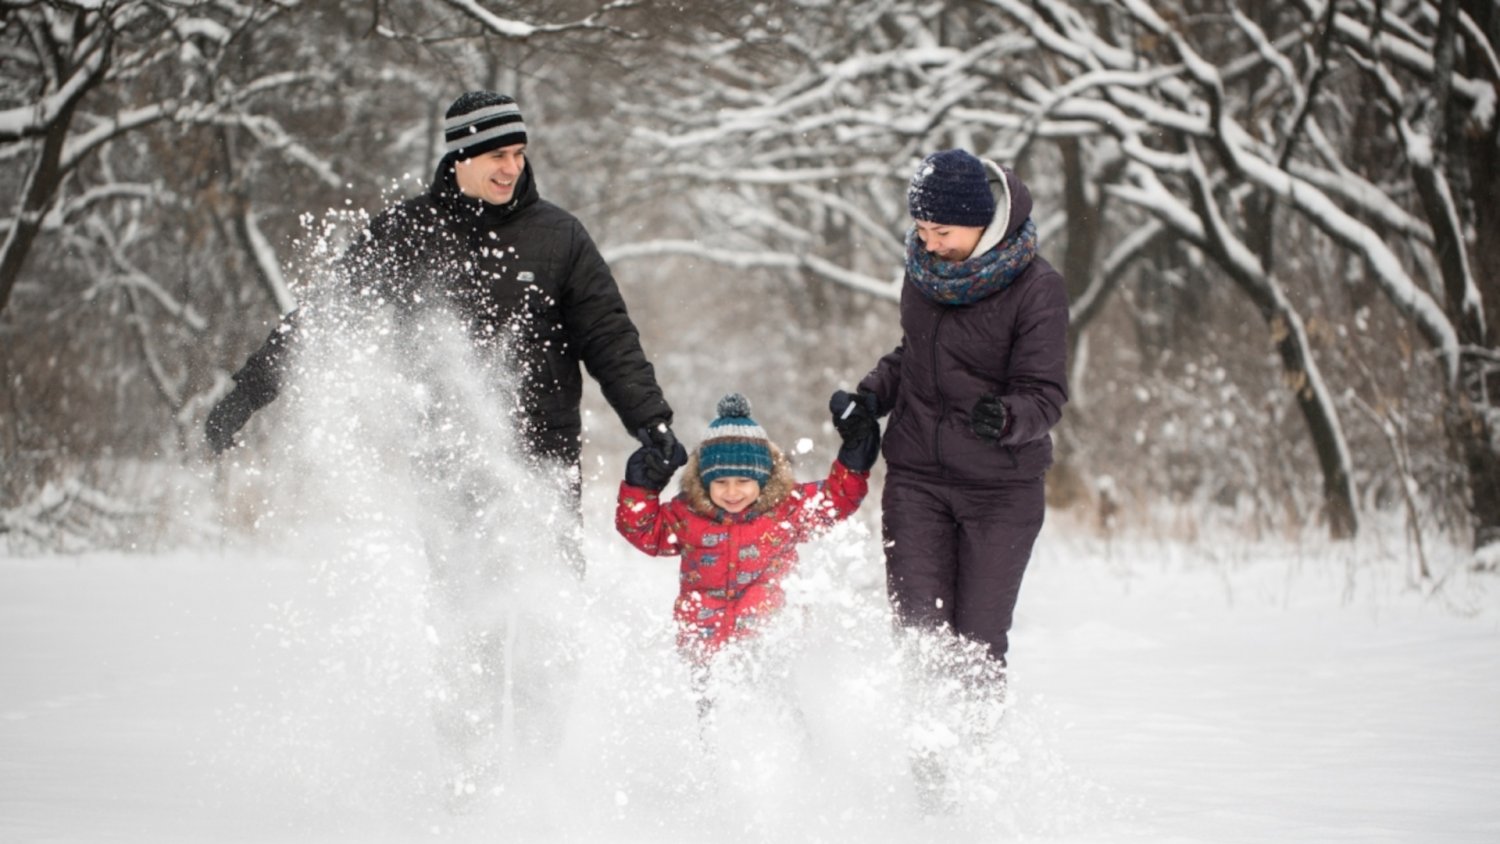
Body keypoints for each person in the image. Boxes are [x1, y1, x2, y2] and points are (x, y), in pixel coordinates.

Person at [203, 91, 681, 573]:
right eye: (497, 155)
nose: (511, 168)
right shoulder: (405, 233)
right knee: (467, 607)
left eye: (518, 154)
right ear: (461, 155)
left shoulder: (560, 236)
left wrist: (649, 420)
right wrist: (248, 394)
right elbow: (323, 320)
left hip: (543, 454)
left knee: (548, 595)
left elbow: (609, 337)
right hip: (448, 454)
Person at [838, 148, 1069, 685]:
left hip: (1000, 490)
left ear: (981, 222)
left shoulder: (1037, 288)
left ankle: (973, 766)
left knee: (976, 649)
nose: (929, 244)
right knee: (920, 640)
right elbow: (915, 355)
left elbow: (1046, 393)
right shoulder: (924, 275)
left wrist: (1008, 417)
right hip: (917, 481)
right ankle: (925, 767)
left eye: (942, 231)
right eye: (921, 229)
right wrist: (871, 397)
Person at [615, 392, 878, 718]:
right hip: (703, 651)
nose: (732, 492)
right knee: (709, 725)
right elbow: (643, 531)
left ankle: (794, 756)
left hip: (769, 646)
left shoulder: (787, 509)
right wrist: (640, 487)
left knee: (775, 717)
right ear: (705, 481)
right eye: (720, 481)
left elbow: (836, 499)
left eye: (743, 480)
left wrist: (855, 457)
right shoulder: (689, 515)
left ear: (763, 477)